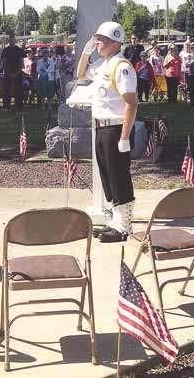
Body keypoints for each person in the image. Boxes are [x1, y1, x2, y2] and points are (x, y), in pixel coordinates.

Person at [75, 21, 137, 243]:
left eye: (101, 40)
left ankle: (124, 226)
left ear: (114, 42)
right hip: (102, 127)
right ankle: (114, 221)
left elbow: (131, 103)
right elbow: (81, 74)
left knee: (119, 177)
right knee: (107, 177)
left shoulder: (122, 67)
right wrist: (85, 52)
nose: (97, 43)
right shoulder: (103, 64)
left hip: (116, 128)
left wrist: (124, 137)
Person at [1, 35, 25, 110]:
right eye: (10, 40)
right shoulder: (5, 50)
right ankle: (6, 106)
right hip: (8, 72)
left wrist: (16, 73)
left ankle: (19, 106)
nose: (12, 41)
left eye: (13, 40)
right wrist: (9, 73)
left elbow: (21, 63)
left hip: (18, 72)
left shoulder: (19, 50)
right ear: (9, 41)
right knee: (6, 90)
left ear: (15, 41)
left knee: (19, 89)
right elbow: (4, 63)